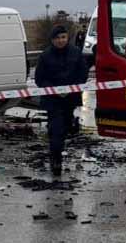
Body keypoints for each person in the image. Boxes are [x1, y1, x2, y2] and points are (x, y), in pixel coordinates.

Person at [34, 23, 89, 178]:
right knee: (56, 130)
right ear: (52, 40)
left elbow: (83, 74)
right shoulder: (45, 56)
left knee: (65, 128)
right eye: (57, 38)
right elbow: (39, 79)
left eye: (63, 37)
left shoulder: (76, 53)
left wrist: (71, 88)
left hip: (70, 99)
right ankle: (56, 161)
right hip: (53, 101)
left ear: (67, 37)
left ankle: (59, 148)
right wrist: (55, 90)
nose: (61, 40)